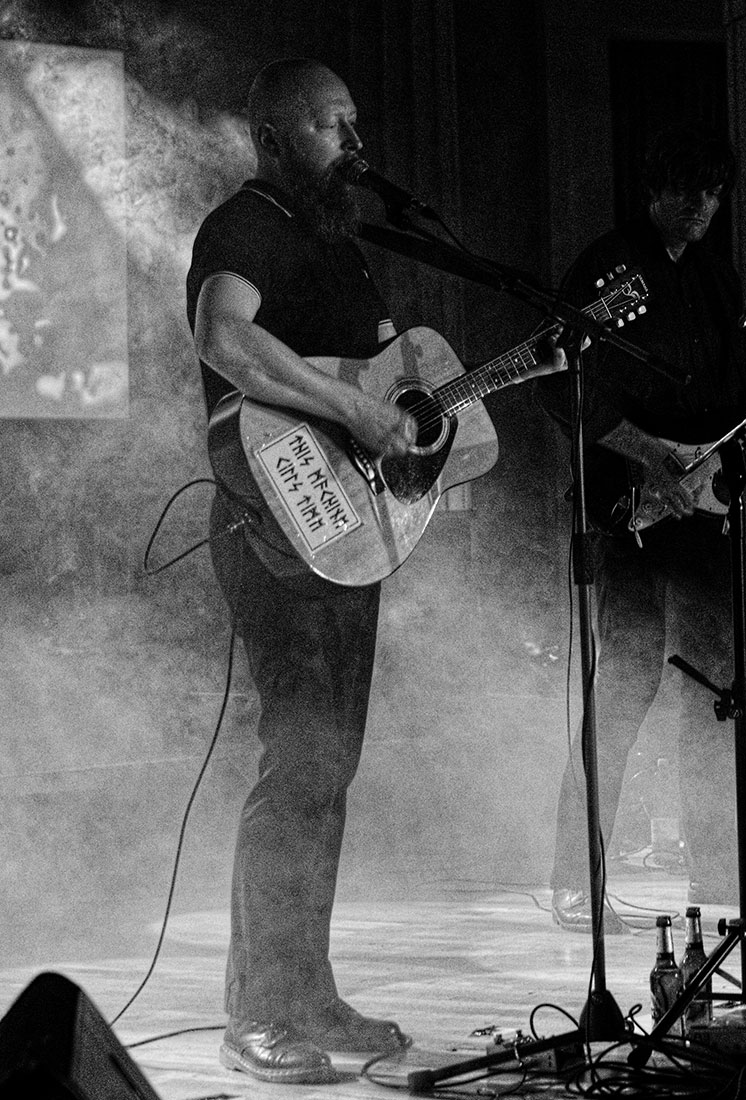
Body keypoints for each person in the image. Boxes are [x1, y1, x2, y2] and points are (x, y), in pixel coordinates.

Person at [186, 58, 563, 1083]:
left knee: (329, 772)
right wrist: (355, 410)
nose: (354, 142)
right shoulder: (247, 224)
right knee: (299, 766)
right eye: (329, 125)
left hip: (342, 537)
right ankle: (255, 1012)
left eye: (354, 122)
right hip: (270, 528)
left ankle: (305, 991)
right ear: (274, 137)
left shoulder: (340, 247)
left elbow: (408, 388)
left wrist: (450, 412)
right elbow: (223, 337)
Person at [540, 124, 746, 933]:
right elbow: (562, 388)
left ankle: (720, 868)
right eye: (688, 190)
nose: (702, 206)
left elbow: (739, 409)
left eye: (714, 193)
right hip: (627, 506)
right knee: (624, 685)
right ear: (654, 191)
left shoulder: (718, 279)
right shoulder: (609, 268)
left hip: (701, 509)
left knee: (719, 689)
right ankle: (576, 879)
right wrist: (652, 459)